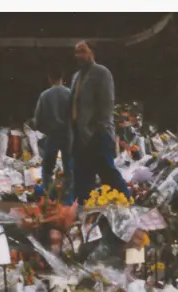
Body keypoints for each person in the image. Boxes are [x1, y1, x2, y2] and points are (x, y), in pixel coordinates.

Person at [69, 40, 131, 205]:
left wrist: (95, 132)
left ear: (92, 52)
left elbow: (106, 106)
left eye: (82, 51)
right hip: (79, 135)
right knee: (81, 177)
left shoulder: (102, 73)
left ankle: (128, 203)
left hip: (98, 134)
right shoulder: (76, 76)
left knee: (108, 174)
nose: (79, 56)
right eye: (76, 52)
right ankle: (82, 213)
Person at [34, 69, 73, 202]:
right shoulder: (70, 94)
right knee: (69, 170)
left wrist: (45, 130)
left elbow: (37, 120)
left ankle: (49, 199)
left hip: (52, 135)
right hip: (68, 135)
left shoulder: (44, 95)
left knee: (47, 169)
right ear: (62, 77)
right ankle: (68, 200)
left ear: (49, 78)